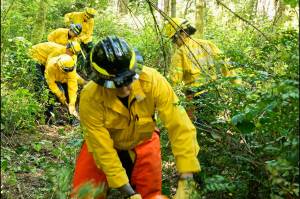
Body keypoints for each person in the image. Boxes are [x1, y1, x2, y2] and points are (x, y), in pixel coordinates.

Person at [72, 36, 201, 199]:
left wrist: (186, 179)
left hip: (144, 139)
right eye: (117, 84)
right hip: (107, 142)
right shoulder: (90, 97)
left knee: (151, 194)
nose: (125, 89)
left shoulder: (153, 81)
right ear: (101, 80)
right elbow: (101, 147)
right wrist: (129, 193)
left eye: (128, 80)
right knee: (84, 193)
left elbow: (180, 125)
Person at [163, 18, 241, 120]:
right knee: (211, 123)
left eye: (174, 39)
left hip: (194, 96)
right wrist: (237, 84)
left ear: (182, 34)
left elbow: (174, 80)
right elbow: (225, 64)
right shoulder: (207, 44)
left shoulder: (179, 53)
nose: (174, 43)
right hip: (213, 92)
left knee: (196, 126)